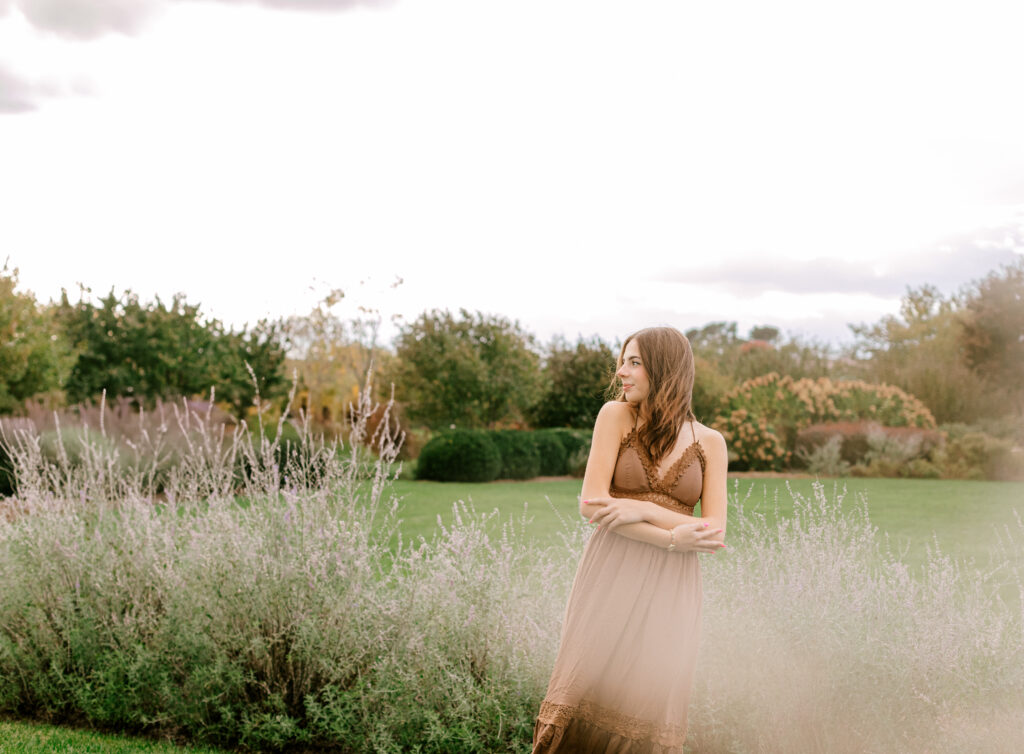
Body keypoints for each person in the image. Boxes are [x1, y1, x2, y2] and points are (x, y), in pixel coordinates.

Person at [532, 326, 729, 753]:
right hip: (612, 571)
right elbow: (592, 504)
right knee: (587, 683)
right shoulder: (615, 415)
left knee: (648, 700)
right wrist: (671, 537)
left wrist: (643, 509)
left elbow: (714, 532)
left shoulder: (711, 443)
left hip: (672, 590)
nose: (622, 372)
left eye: (634, 362)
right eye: (623, 361)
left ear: (666, 369)